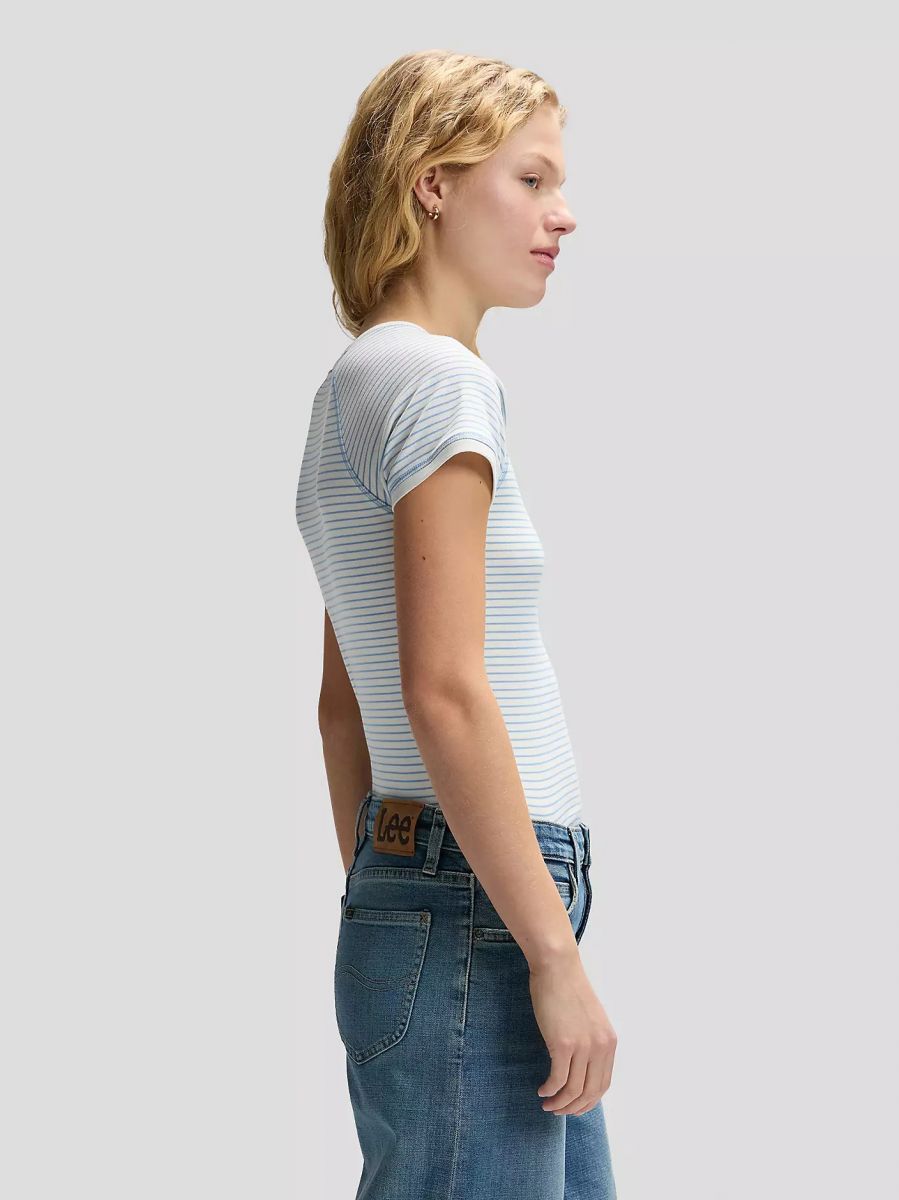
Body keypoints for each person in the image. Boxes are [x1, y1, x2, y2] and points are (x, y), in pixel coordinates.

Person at [295, 49, 618, 1199]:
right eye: (530, 180)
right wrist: (541, 947)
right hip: (484, 899)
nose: (561, 215)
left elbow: (342, 710)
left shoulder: (352, 386)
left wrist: (396, 886)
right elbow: (440, 689)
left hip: (445, 895)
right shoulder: (438, 383)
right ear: (431, 184)